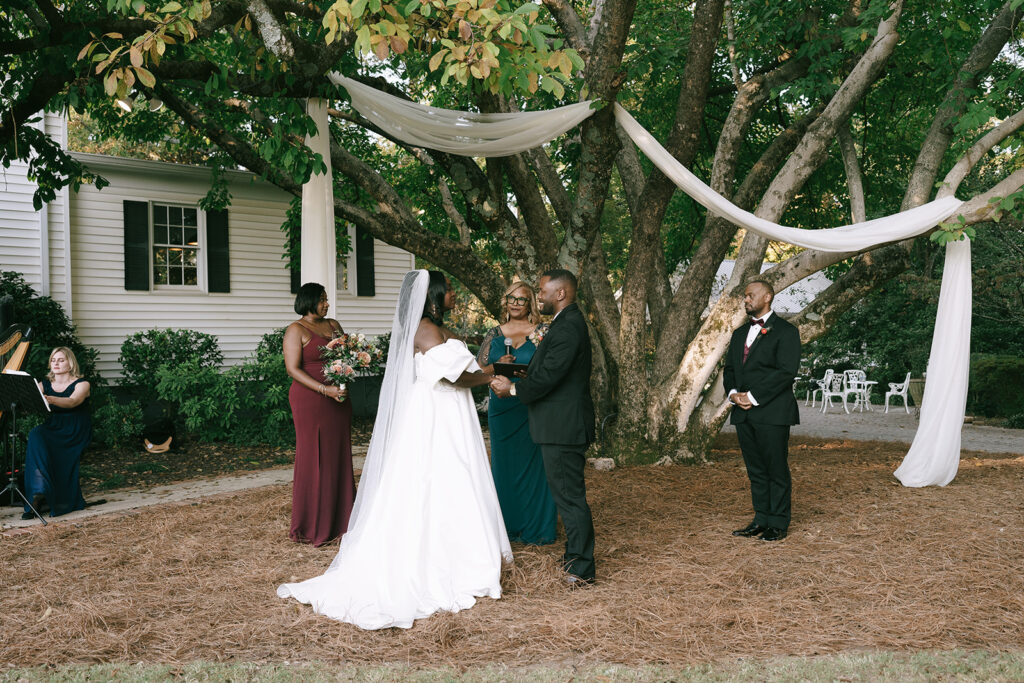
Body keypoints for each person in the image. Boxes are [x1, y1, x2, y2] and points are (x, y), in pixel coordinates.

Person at [278, 270, 512, 629]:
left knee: (455, 477)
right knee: (437, 475)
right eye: (449, 289)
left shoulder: (439, 329)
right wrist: (491, 374)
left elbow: (462, 367)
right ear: (434, 295)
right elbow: (452, 377)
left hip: (452, 411)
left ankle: (463, 550)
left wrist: (489, 368)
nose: (454, 294)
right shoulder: (426, 330)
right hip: (437, 412)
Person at [491, 269, 596, 588]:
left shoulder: (568, 326)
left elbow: (550, 374)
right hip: (557, 424)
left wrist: (511, 390)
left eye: (542, 292)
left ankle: (581, 570)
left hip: (562, 426)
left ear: (561, 293)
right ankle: (574, 557)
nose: (539, 297)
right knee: (567, 495)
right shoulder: (565, 323)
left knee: (570, 498)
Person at [477, 282, 557, 545]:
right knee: (505, 465)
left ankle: (537, 528)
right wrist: (497, 367)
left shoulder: (542, 332)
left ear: (531, 303)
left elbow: (553, 367)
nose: (515, 303)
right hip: (502, 408)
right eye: (511, 298)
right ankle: (507, 528)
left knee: (536, 466)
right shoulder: (494, 334)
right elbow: (478, 372)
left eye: (522, 300)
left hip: (532, 405)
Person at [723, 280, 801, 542]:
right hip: (743, 413)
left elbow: (786, 372)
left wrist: (753, 397)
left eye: (750, 295)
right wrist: (733, 394)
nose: (746, 299)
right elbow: (730, 370)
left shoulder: (786, 332)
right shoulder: (737, 335)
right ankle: (761, 518)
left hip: (772, 412)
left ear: (767, 297)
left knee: (775, 469)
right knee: (755, 470)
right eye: (745, 296)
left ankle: (778, 523)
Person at [283, 282, 354, 547]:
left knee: (338, 454)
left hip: (339, 397)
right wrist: (325, 389)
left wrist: (346, 377)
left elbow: (348, 356)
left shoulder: (334, 325)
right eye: (323, 299)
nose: (327, 304)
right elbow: (293, 369)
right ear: (309, 301)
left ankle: (343, 520)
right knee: (314, 456)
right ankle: (313, 524)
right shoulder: (296, 330)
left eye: (327, 299)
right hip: (310, 398)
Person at [22, 347, 91, 519]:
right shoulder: (43, 384)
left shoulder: (82, 384)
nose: (56, 363)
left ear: (70, 363)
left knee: (48, 444)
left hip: (74, 429)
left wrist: (51, 399)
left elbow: (72, 401)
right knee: (36, 434)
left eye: (61, 360)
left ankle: (49, 496)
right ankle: (37, 494)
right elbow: (28, 402)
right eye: (53, 360)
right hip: (53, 426)